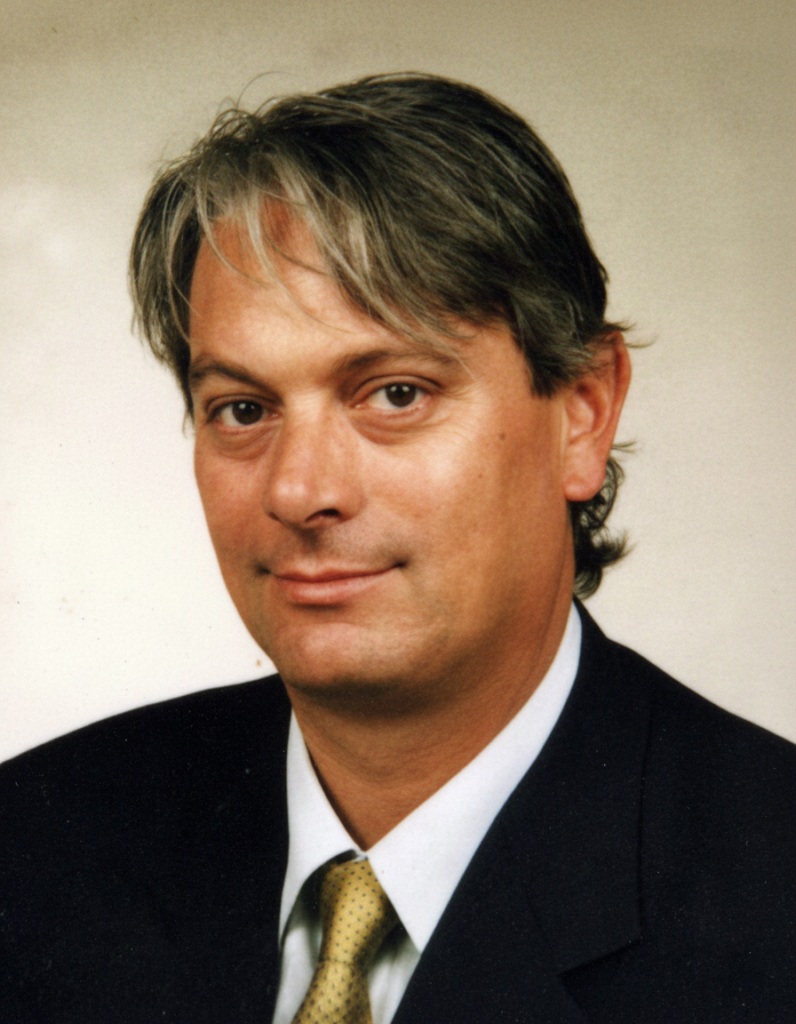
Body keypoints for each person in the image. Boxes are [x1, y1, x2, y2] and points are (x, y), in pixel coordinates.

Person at [0, 73, 793, 1024]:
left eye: (396, 394)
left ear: (582, 412)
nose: (300, 491)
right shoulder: (33, 845)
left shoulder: (770, 897)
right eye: (243, 410)